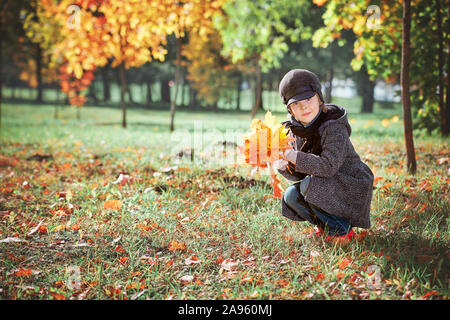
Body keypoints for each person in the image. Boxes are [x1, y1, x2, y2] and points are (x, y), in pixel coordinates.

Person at [273, 69, 374, 244]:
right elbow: (301, 172)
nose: (304, 107)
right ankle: (326, 226)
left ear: (319, 98)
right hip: (326, 184)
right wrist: (284, 166)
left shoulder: (333, 125)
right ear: (290, 109)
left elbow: (328, 166)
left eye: (308, 99)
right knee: (291, 195)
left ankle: (342, 230)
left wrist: (292, 155)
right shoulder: (296, 130)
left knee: (309, 186)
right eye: (296, 104)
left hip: (350, 182)